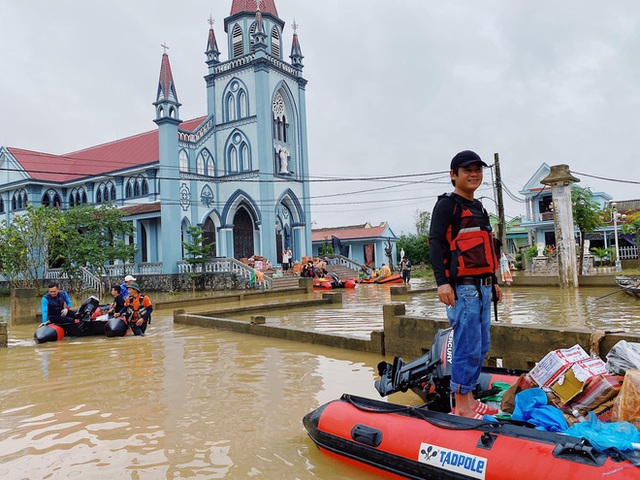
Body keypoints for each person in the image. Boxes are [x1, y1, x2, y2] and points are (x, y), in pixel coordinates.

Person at [429, 150, 502, 419]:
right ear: (453, 175)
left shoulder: (479, 207)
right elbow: (436, 244)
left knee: (481, 345)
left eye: (478, 170)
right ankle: (461, 406)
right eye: (467, 170)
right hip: (464, 289)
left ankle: (469, 398)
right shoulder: (447, 205)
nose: (474, 174)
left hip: (483, 287)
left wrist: (493, 282)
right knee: (467, 345)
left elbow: (487, 248)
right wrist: (442, 283)